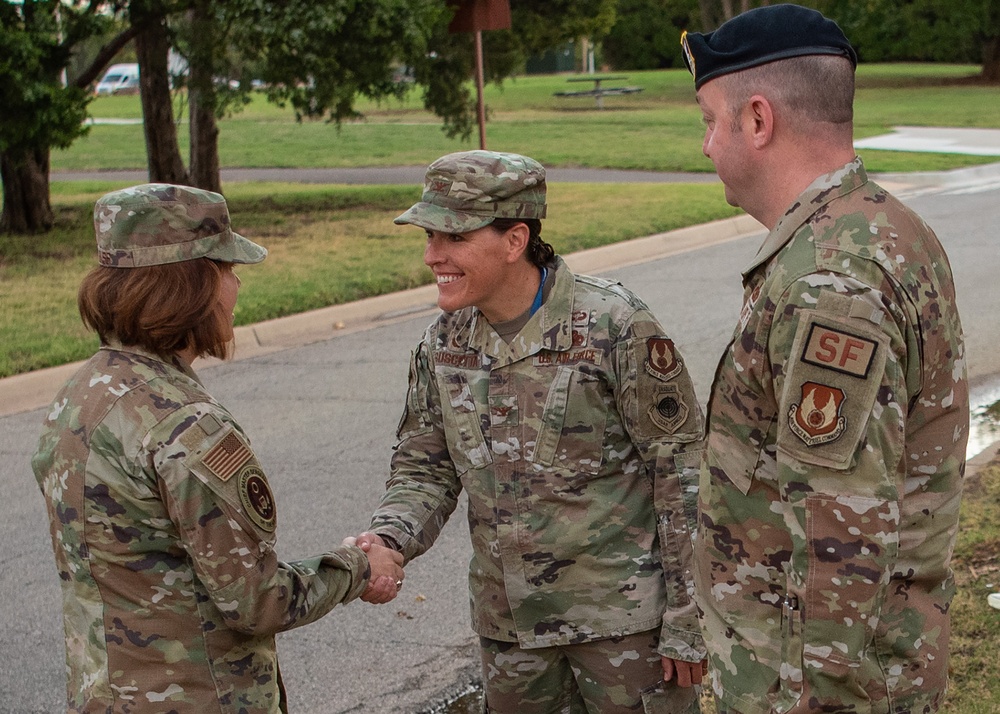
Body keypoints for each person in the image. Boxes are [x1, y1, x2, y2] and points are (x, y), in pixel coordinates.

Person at [680, 5, 969, 713]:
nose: (707, 146)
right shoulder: (878, 227)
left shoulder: (829, 279)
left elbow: (844, 536)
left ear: (758, 120)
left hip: (812, 687)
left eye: (710, 122)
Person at [348, 150, 706, 713]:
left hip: (623, 628)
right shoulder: (443, 344)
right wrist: (389, 542)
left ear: (515, 240)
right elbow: (426, 468)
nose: (431, 255)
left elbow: (682, 475)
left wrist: (689, 617)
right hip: (510, 631)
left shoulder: (616, 326)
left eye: (453, 238)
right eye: (428, 236)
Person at [31, 183, 405, 713]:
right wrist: (358, 568)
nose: (235, 286)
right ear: (190, 285)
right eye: (226, 270)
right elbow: (255, 601)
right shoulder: (188, 426)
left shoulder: (82, 393)